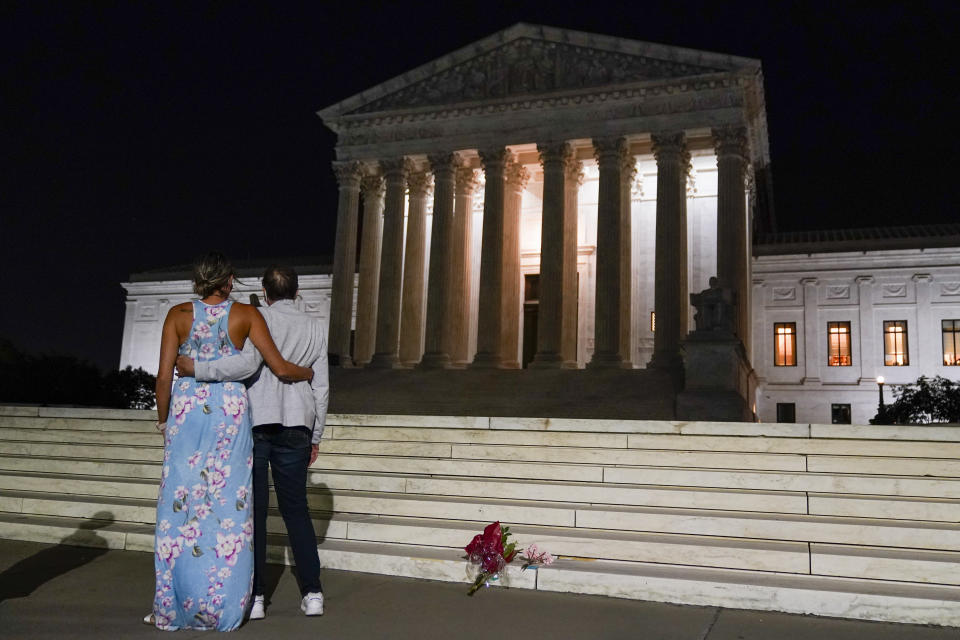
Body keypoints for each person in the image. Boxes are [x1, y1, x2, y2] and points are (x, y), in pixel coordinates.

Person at [148, 252, 313, 631]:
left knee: (180, 508)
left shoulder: (177, 314)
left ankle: (173, 605)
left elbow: (162, 378)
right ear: (230, 280)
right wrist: (308, 371)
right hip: (229, 413)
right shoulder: (246, 315)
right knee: (228, 511)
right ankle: (223, 604)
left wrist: (163, 420)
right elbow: (280, 367)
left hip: (186, 412)